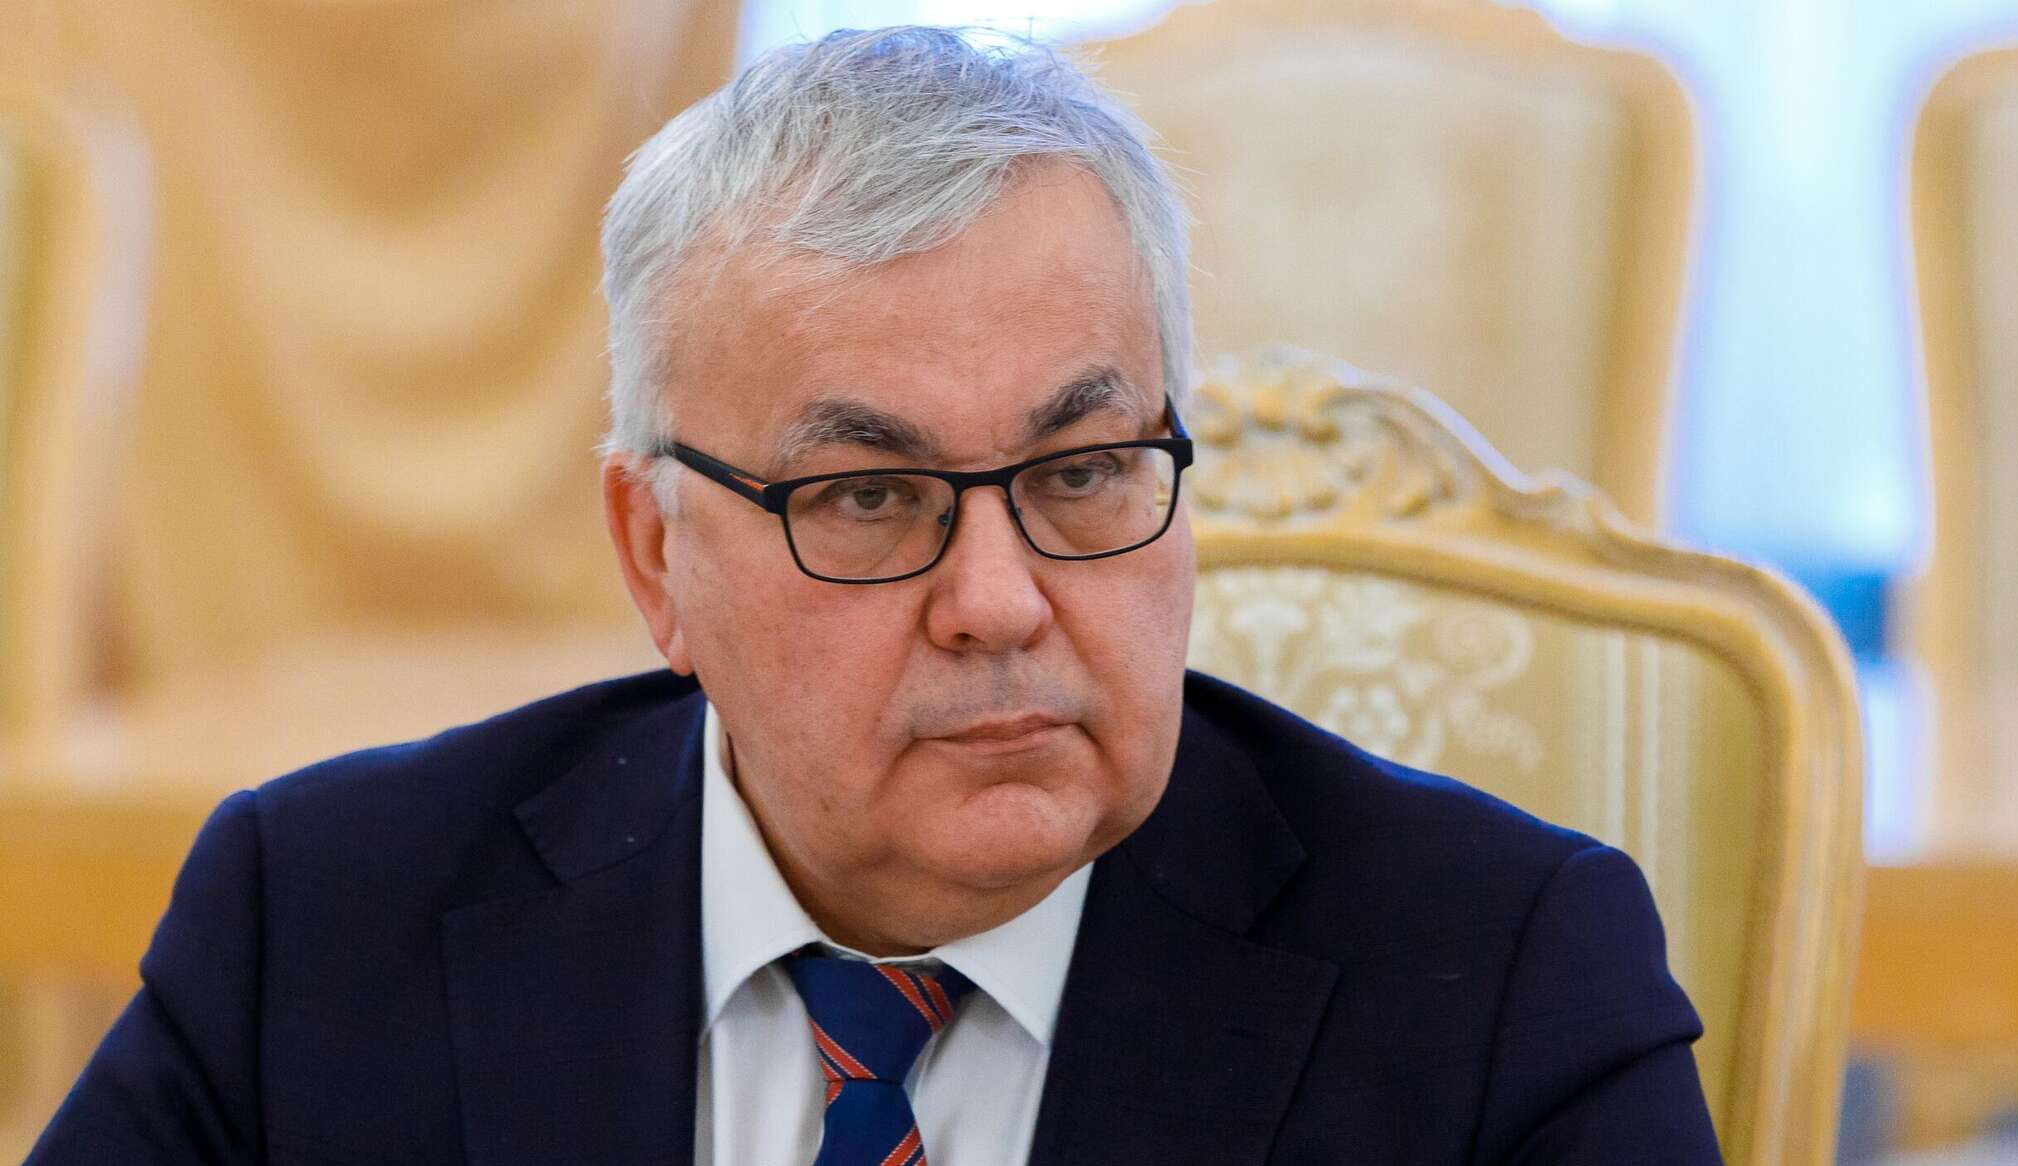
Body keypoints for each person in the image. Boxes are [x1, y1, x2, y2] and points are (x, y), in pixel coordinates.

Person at [28, 27, 1723, 1165]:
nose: (999, 601)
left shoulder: (1501, 982)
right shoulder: (324, 926)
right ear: (655, 557)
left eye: (1081, 471)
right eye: (868, 497)